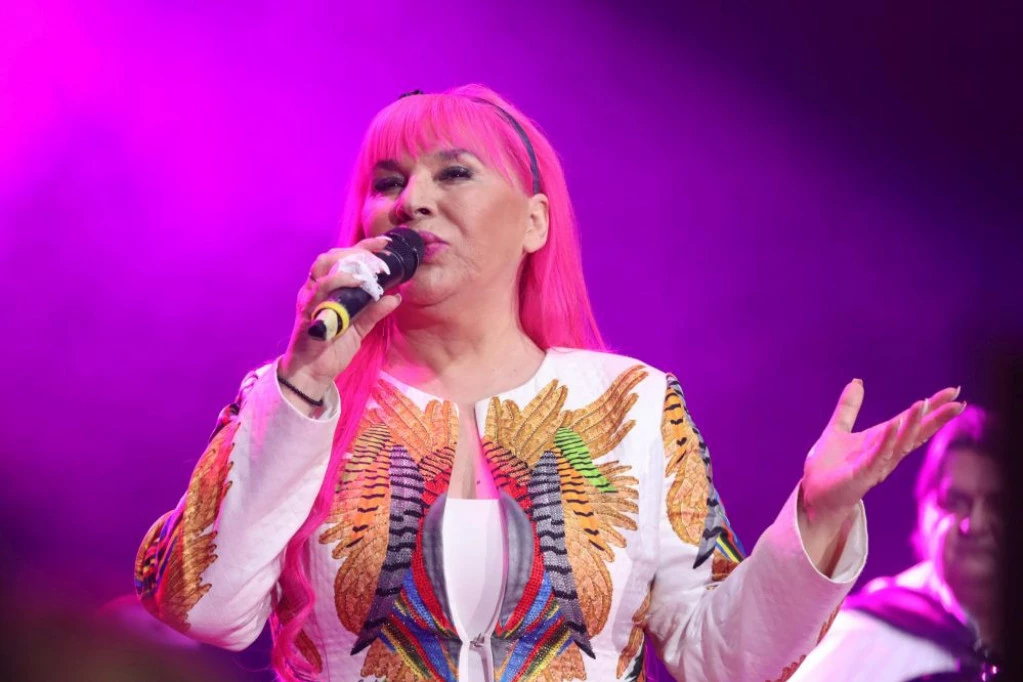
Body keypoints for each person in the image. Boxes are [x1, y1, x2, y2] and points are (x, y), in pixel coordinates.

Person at [133, 84, 965, 682]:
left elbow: (723, 659)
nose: (411, 201)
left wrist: (817, 515)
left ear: (534, 222)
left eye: (453, 174)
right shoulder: (294, 398)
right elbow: (202, 609)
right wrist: (303, 386)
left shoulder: (630, 406)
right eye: (387, 182)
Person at [790, 407, 1003, 681]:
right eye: (954, 502)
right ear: (922, 510)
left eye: (999, 506)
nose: (974, 525)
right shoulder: (863, 636)